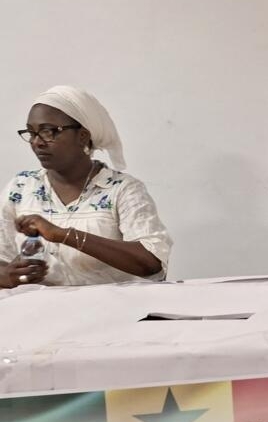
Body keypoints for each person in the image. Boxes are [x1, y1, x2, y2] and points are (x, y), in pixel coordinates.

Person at [1, 86, 172, 288]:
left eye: (48, 132)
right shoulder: (21, 188)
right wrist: (7, 276)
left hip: (111, 305)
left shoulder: (121, 189)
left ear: (82, 136)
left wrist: (63, 235)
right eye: (31, 133)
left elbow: (151, 261)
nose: (37, 142)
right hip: (37, 306)